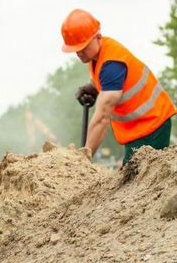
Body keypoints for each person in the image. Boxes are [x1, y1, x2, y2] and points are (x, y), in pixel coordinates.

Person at [62, 9, 176, 164]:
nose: (79, 52)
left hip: (152, 126)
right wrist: (94, 87)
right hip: (139, 129)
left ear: (98, 37)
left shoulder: (112, 65)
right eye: (76, 49)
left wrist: (84, 160)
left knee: (138, 184)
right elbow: (108, 82)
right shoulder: (98, 57)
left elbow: (102, 118)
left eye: (83, 46)